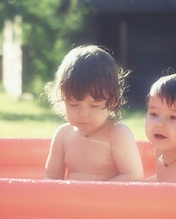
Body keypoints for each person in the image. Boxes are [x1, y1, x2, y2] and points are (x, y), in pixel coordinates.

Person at [43, 45, 144, 181]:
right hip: (71, 201)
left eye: (94, 105)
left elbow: (134, 176)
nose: (83, 114)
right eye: (73, 104)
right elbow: (52, 175)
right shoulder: (63, 135)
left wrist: (95, 195)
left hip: (106, 201)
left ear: (112, 101)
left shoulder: (117, 134)